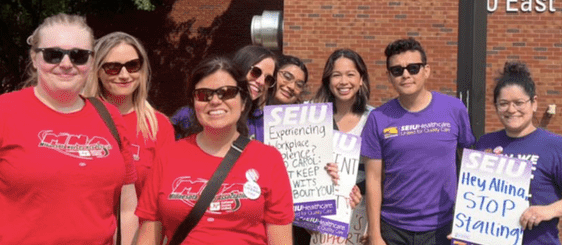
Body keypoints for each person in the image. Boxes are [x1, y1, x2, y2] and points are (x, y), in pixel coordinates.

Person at [0, 14, 137, 245]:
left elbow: (127, 210)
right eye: (53, 54)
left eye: (79, 56)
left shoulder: (109, 116)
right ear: (34, 58)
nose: (66, 64)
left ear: (91, 62)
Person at [136, 55, 294, 245]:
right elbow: (148, 237)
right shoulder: (168, 156)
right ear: (194, 104)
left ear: (243, 102)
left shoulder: (268, 159)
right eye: (204, 95)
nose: (215, 101)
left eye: (226, 92)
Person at [472, 62, 562, 245]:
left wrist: (549, 210)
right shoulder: (485, 144)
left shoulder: (556, 146)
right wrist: (465, 233)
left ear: (534, 104)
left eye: (519, 103)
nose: (511, 109)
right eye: (503, 104)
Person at [360, 38, 474, 245]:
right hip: (393, 228)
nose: (405, 75)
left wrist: (467, 227)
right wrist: (375, 235)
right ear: (389, 76)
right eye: (397, 70)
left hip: (443, 227)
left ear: (426, 70)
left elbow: (470, 166)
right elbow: (373, 180)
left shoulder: (454, 109)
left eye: (413, 68)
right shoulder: (378, 118)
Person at [85, 31, 175, 196]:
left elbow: (164, 193)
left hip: (140, 221)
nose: (124, 75)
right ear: (96, 70)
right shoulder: (81, 119)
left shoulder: (159, 126)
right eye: (113, 68)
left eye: (132, 65)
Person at [307, 48, 374, 245]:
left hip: (361, 217)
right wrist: (306, 219)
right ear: (328, 80)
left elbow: (381, 176)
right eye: (336, 75)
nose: (344, 81)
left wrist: (374, 226)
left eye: (350, 74)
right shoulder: (311, 116)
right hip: (320, 218)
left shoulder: (374, 119)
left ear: (361, 79)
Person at [172, 44, 277, 140]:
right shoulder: (188, 115)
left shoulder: (261, 123)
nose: (261, 82)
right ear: (240, 68)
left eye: (268, 79)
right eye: (256, 72)